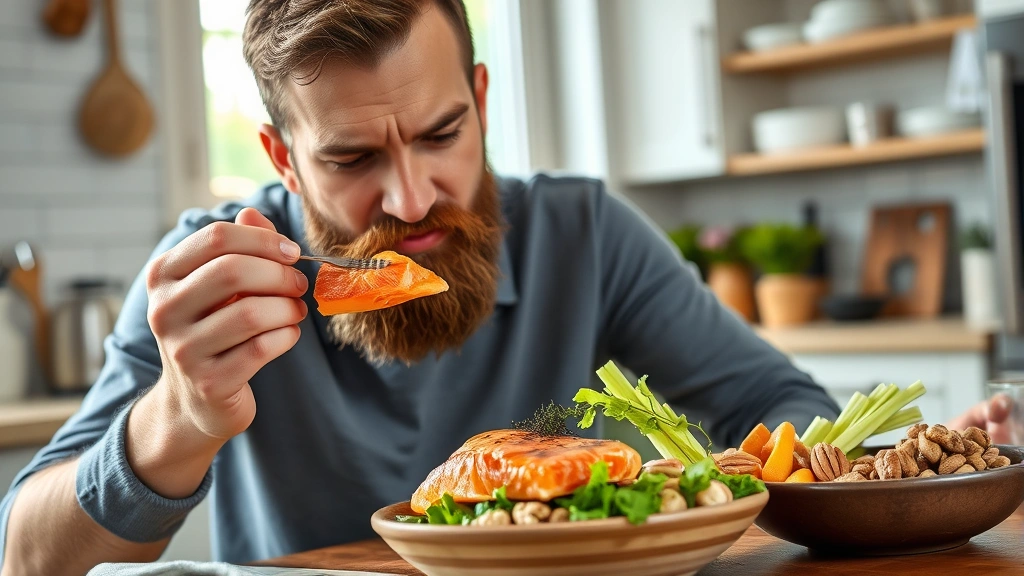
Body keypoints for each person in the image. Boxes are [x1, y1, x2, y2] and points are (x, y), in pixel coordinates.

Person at [0, 1, 1011, 574]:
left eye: (441, 134)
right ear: (282, 157)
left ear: (480, 101)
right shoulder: (214, 274)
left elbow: (782, 411)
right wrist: (174, 416)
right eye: (351, 158)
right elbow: (26, 553)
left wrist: (905, 479)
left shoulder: (583, 233)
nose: (411, 194)